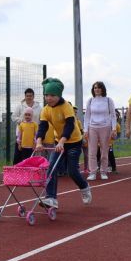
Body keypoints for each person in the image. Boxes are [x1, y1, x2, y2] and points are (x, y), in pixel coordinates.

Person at [34, 77, 92, 208]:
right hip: (58, 142)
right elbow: (42, 126)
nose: (49, 98)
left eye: (52, 95)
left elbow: (69, 126)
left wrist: (62, 141)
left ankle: (84, 187)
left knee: (72, 171)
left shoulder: (66, 106)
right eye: (46, 95)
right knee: (51, 168)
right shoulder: (46, 109)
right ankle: (51, 198)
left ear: (59, 95)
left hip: (73, 142)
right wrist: (38, 142)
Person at [83, 81, 117, 181]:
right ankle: (92, 172)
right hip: (92, 127)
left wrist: (114, 128)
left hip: (105, 127)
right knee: (92, 151)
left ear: (102, 89)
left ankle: (103, 171)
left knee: (104, 151)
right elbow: (87, 116)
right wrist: (85, 129)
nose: (96, 89)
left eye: (98, 88)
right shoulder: (90, 101)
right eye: (95, 88)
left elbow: (113, 115)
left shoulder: (108, 100)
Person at [12, 88, 42, 164]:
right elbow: (13, 117)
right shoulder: (20, 106)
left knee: (31, 155)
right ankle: (16, 170)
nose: (29, 97)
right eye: (27, 96)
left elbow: (41, 119)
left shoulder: (39, 107)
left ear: (33, 96)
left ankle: (30, 171)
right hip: (22, 135)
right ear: (25, 97)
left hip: (33, 137)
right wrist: (23, 122)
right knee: (18, 155)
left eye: (30, 96)